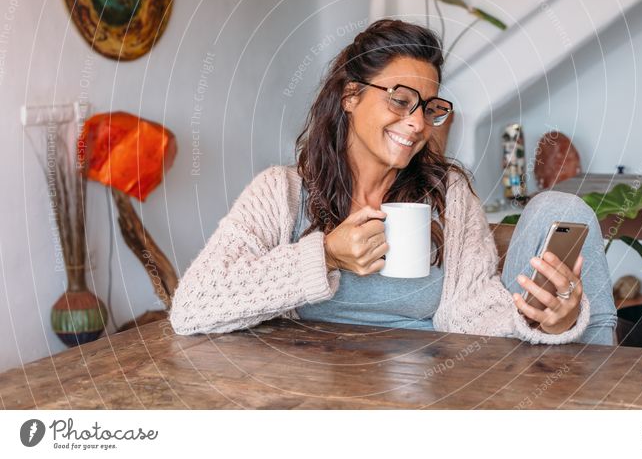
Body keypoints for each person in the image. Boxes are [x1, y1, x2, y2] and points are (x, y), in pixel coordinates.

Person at [169, 18, 617, 345]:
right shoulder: (282, 193)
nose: (417, 123)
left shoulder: (447, 194)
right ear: (350, 95)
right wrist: (325, 255)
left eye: (428, 107)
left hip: (429, 388)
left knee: (564, 212)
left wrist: (551, 322)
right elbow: (193, 307)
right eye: (401, 100)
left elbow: (474, 310)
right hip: (310, 386)